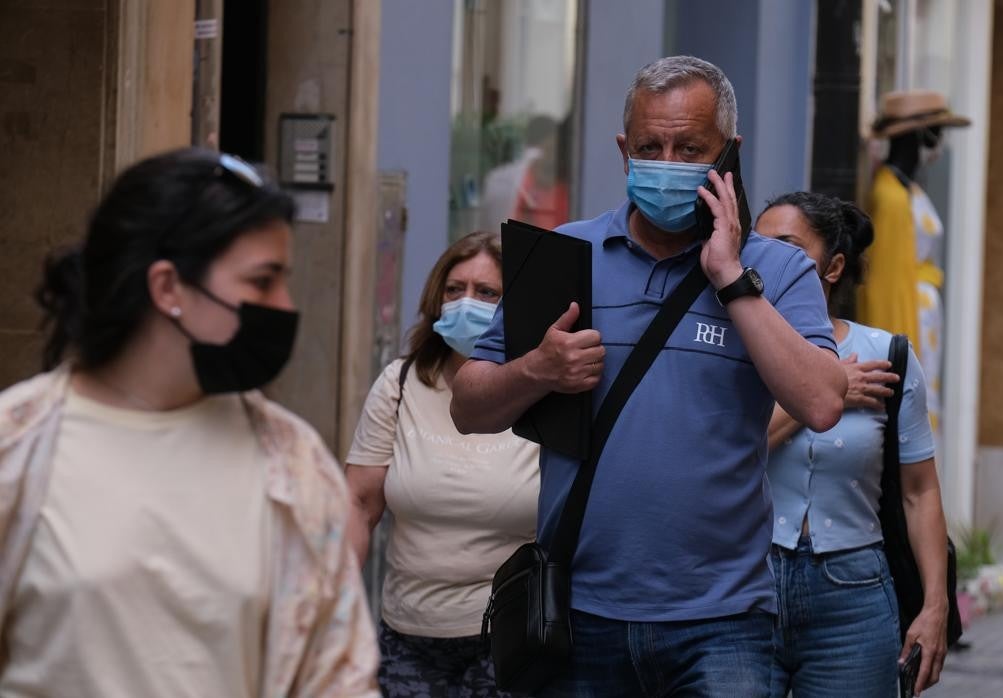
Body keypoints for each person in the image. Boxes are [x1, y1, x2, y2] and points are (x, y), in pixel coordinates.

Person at [450, 55, 848, 696]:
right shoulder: (562, 256)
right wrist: (538, 368)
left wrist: (731, 279)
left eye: (689, 148)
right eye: (649, 146)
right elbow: (469, 406)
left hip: (724, 623)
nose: (666, 161)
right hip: (580, 615)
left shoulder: (775, 269)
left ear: (729, 153)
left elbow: (822, 402)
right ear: (622, 150)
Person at [0, 148, 378, 697]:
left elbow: (337, 677)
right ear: (168, 288)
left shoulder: (294, 466)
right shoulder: (18, 447)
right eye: (263, 280)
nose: (285, 304)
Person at [757, 192, 950, 698]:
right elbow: (727, 453)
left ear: (834, 266)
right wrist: (827, 390)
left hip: (854, 592)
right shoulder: (731, 348)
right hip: (747, 585)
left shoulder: (886, 357)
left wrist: (935, 606)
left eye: (786, 246)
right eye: (757, 246)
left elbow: (919, 491)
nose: (766, 258)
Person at [345, 231, 539, 697]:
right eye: (454, 290)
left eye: (486, 292)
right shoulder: (400, 383)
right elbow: (357, 503)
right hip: (408, 636)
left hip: (508, 638)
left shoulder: (540, 388)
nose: (466, 302)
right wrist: (334, 605)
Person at [859, 90, 970, 439]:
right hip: (909, 314)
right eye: (936, 129)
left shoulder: (908, 190)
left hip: (923, 312)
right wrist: (894, 350)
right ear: (919, 134)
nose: (940, 138)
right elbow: (885, 283)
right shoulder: (890, 197)